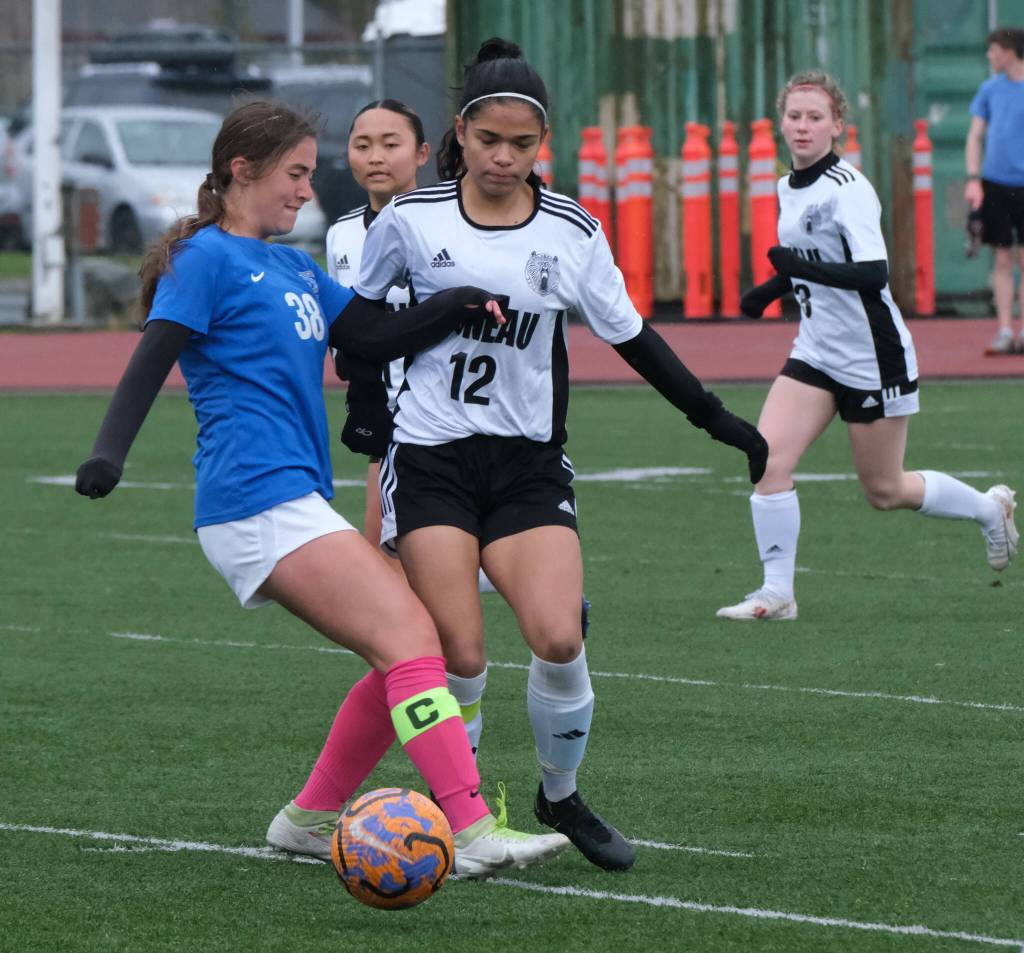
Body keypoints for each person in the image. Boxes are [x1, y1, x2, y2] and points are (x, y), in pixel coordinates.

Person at [73, 99, 570, 878]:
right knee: (412, 641)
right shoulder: (205, 259)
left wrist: (453, 302)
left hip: (291, 498)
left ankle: (308, 817)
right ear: (242, 171)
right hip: (253, 501)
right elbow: (152, 356)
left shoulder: (294, 266)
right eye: (296, 173)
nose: (308, 189)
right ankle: (469, 825)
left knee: (408, 643)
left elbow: (371, 336)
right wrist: (108, 455)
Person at [349, 38, 768, 872]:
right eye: (490, 140)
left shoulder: (572, 229)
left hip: (529, 464)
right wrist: (450, 310)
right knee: (458, 655)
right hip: (431, 458)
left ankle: (559, 793)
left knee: (557, 637)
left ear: (544, 144)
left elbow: (634, 338)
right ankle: (456, 814)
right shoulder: (411, 221)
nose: (505, 158)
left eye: (523, 144)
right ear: (461, 134)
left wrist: (719, 419)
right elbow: (357, 336)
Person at [718, 70, 1019, 622]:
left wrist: (795, 267)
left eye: (815, 117)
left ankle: (988, 509)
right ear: (781, 122)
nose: (802, 126)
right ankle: (777, 593)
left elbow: (872, 272)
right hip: (815, 351)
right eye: (794, 115)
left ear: (838, 125)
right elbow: (811, 261)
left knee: (885, 490)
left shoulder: (849, 190)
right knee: (766, 457)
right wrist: (769, 291)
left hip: (872, 357)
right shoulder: (787, 186)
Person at [328, 98, 499, 594]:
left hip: (446, 415)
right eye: (362, 145)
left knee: (401, 568)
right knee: (385, 567)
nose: (375, 156)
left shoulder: (449, 223)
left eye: (390, 143)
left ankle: (532, 583)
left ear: (422, 153)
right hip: (386, 425)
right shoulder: (341, 235)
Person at [965, 27, 1024, 356]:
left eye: (994, 50)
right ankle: (1004, 330)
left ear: (1010, 51)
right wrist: (974, 179)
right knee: (1002, 258)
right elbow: (974, 136)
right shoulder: (989, 90)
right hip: (996, 184)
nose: (990, 55)